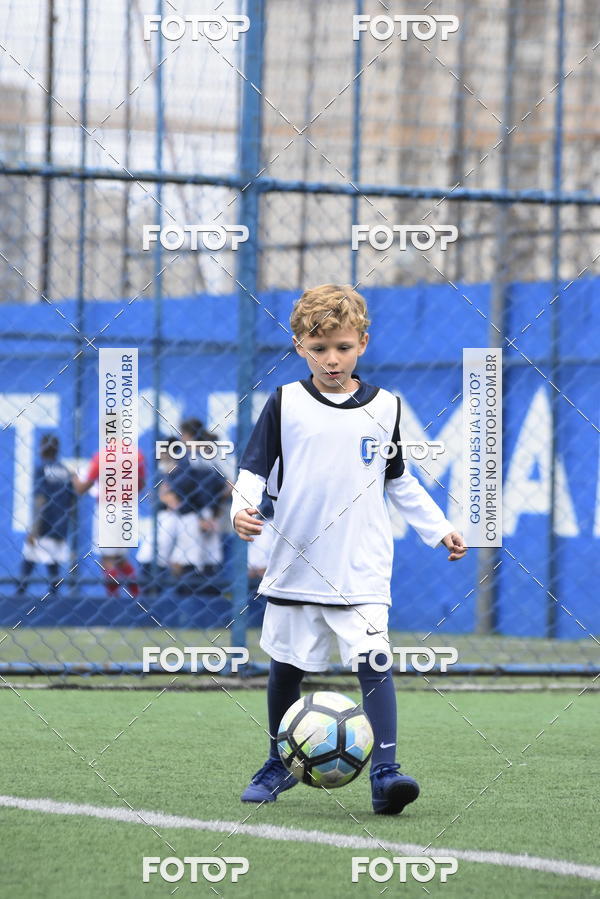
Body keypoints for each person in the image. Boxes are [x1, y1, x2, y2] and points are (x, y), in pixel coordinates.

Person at [231, 284, 467, 815]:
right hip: (295, 562)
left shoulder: (387, 407)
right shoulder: (285, 402)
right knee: (286, 665)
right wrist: (241, 509)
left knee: (375, 659)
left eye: (342, 346)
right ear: (299, 347)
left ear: (362, 341)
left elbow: (399, 479)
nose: (331, 359)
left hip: (360, 567)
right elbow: (253, 468)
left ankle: (385, 774)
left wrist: (439, 528)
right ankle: (279, 761)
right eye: (319, 349)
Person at [73, 444, 146, 598]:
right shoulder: (136, 455)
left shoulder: (103, 456)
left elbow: (81, 488)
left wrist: (74, 476)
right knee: (120, 558)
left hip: (108, 508)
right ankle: (138, 598)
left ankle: (114, 602)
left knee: (108, 559)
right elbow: (140, 485)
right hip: (128, 508)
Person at [17, 434, 75, 597]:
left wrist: (34, 529)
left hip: (44, 524)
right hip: (61, 524)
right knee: (53, 565)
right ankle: (53, 601)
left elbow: (40, 499)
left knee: (28, 560)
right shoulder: (65, 470)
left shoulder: (41, 468)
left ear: (42, 448)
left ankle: (18, 599)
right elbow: (71, 500)